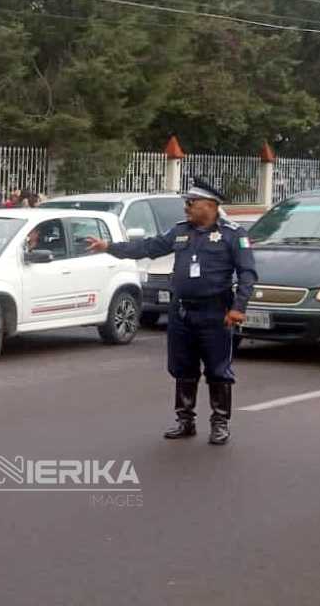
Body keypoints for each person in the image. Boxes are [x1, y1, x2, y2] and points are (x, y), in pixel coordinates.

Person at [86, 178, 257, 445]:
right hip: (181, 313)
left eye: (192, 203)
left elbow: (247, 274)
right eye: (186, 203)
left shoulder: (233, 235)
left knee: (218, 370)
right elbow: (148, 248)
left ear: (210, 206)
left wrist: (238, 307)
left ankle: (220, 423)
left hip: (215, 313)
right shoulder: (179, 232)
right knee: (182, 368)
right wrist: (110, 247)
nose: (186, 207)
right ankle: (185, 421)